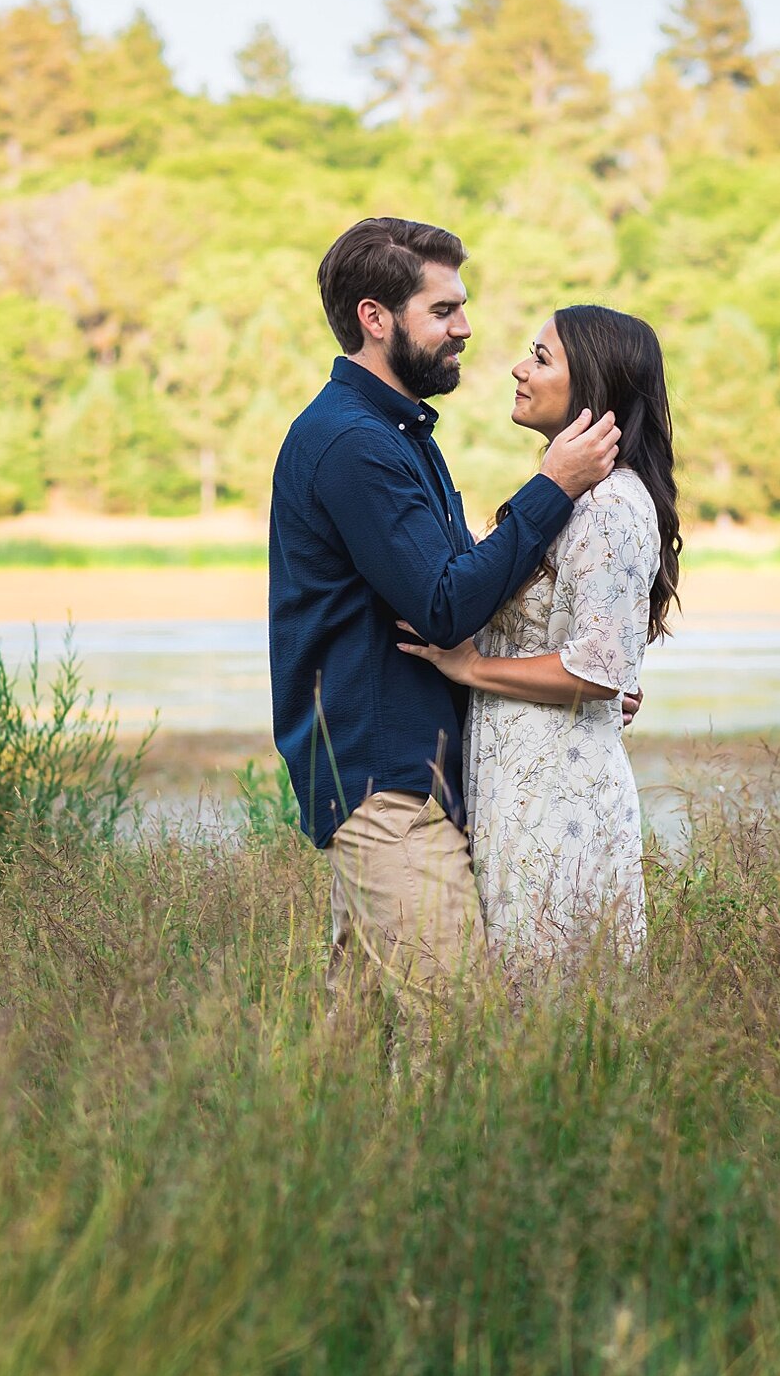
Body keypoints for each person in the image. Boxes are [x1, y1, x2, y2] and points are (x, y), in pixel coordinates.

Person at [268, 216, 630, 1042]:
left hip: (400, 779)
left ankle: (308, 1171)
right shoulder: (352, 445)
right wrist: (554, 485)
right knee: (458, 1033)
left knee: (355, 1047)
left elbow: (453, 604)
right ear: (376, 317)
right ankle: (438, 1173)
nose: (465, 326)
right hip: (386, 789)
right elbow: (441, 605)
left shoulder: (397, 436)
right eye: (444, 310)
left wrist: (581, 673)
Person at [399, 304, 681, 985]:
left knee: (557, 1009)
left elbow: (598, 670)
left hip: (561, 805)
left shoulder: (613, 506)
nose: (519, 369)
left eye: (541, 357)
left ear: (595, 385)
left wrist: (471, 667)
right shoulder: (573, 498)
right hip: (516, 792)